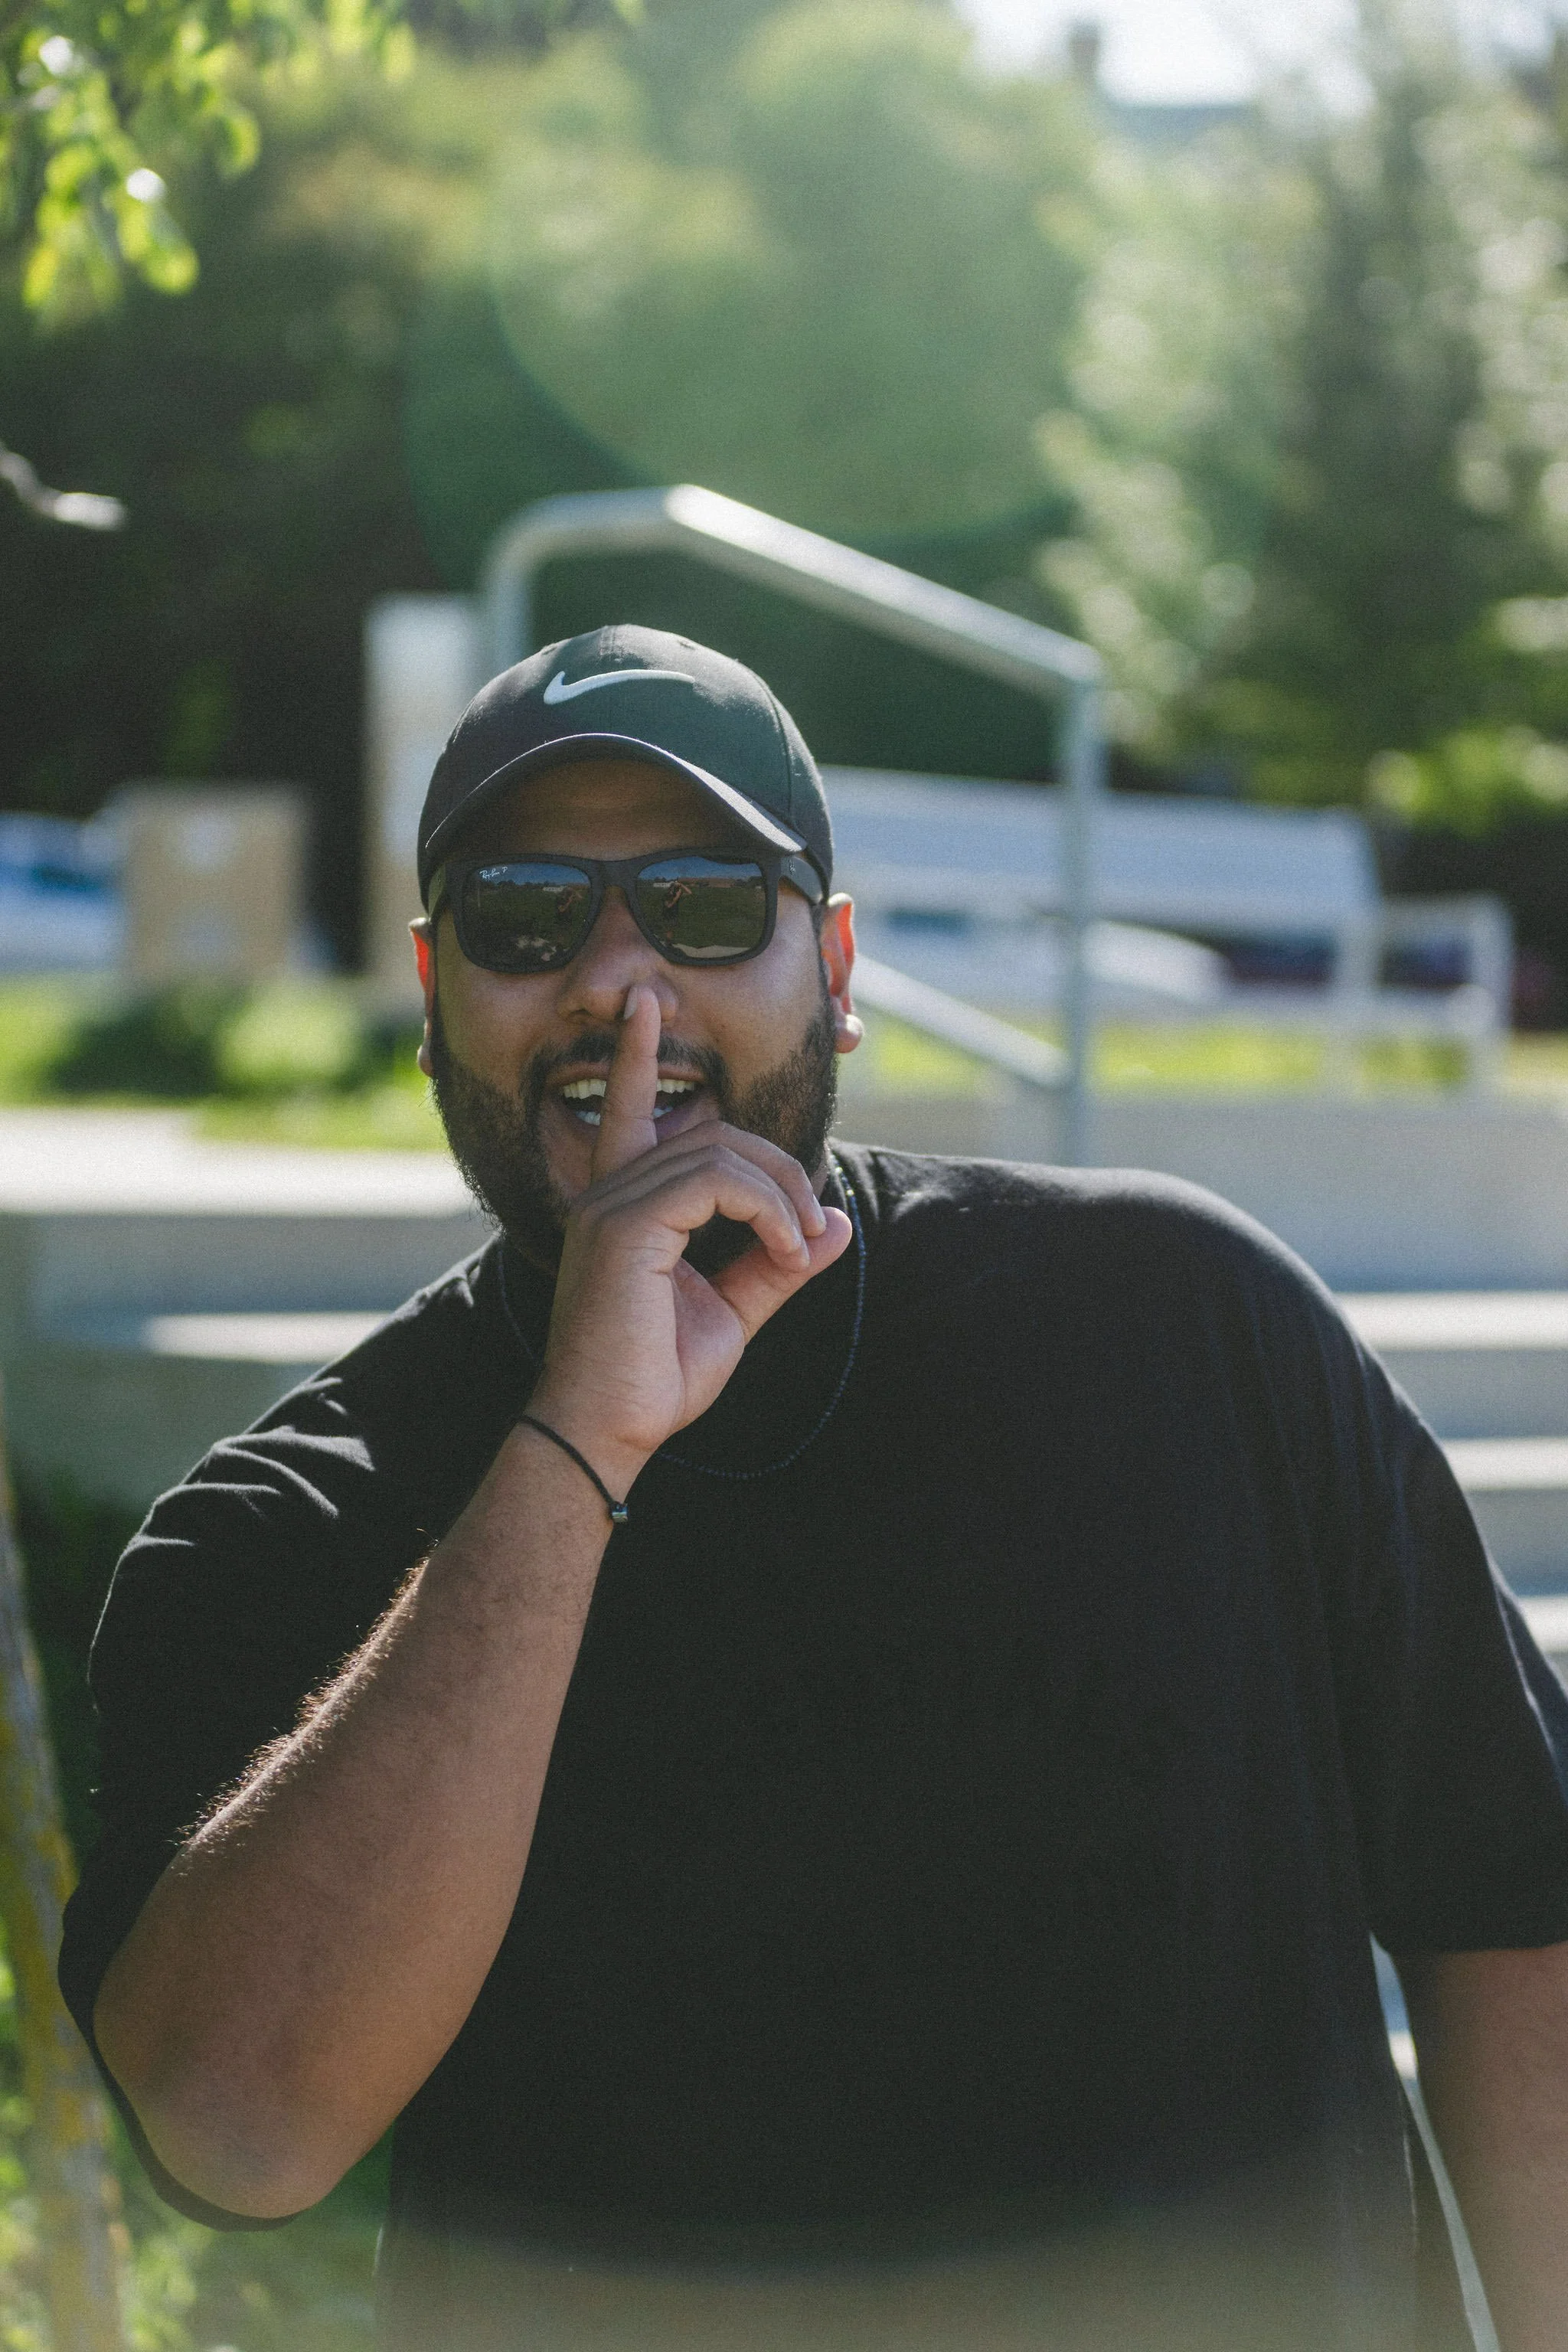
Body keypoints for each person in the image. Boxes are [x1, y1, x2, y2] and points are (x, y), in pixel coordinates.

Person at [59, 627, 1568, 2352]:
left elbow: (1513, 1902)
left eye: (706, 906)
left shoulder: (1185, 1324)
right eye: (525, 916)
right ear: (430, 995)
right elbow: (241, 2130)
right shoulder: (286, 1525)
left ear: (835, 965)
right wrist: (575, 1439)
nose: (622, 985)